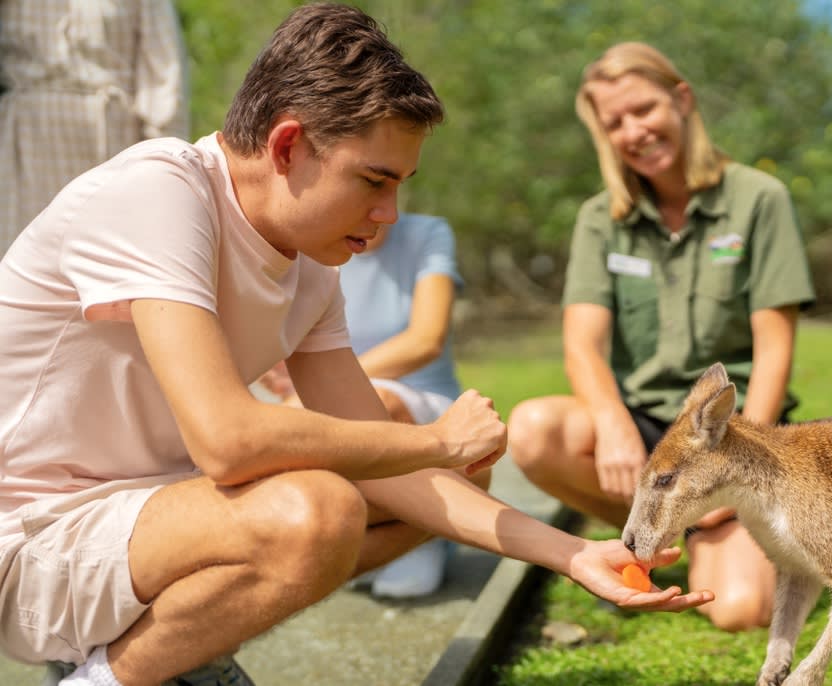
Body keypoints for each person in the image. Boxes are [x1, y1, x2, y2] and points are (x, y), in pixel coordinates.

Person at [0, 7, 712, 685]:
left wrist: (574, 553)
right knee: (317, 511)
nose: (388, 215)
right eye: (373, 181)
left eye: (399, 186)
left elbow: (378, 457)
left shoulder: (310, 265)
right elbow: (228, 442)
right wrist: (438, 441)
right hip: (31, 537)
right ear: (287, 145)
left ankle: (165, 653)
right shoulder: (158, 191)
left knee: (442, 486)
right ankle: (114, 675)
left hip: (148, 520)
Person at [507, 41, 816, 633]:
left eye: (643, 109)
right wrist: (613, 423)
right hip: (648, 430)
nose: (634, 130)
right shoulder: (602, 219)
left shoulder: (758, 199)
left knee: (741, 613)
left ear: (681, 100)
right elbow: (582, 345)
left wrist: (739, 461)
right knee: (534, 429)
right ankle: (661, 536)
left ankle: (701, 534)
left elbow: (775, 350)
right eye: (614, 122)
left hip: (736, 428)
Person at [260, 211, 480, 599]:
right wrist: (282, 374)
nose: (385, 209)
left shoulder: (427, 233)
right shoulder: (304, 249)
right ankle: (396, 534)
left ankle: (424, 536)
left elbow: (425, 341)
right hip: (335, 406)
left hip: (421, 402)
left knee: (375, 402)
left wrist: (325, 387)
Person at [0, 0, 190, 256]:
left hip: (111, 144)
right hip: (25, 143)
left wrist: (167, 167)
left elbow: (164, 77)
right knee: (23, 254)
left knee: (105, 258)